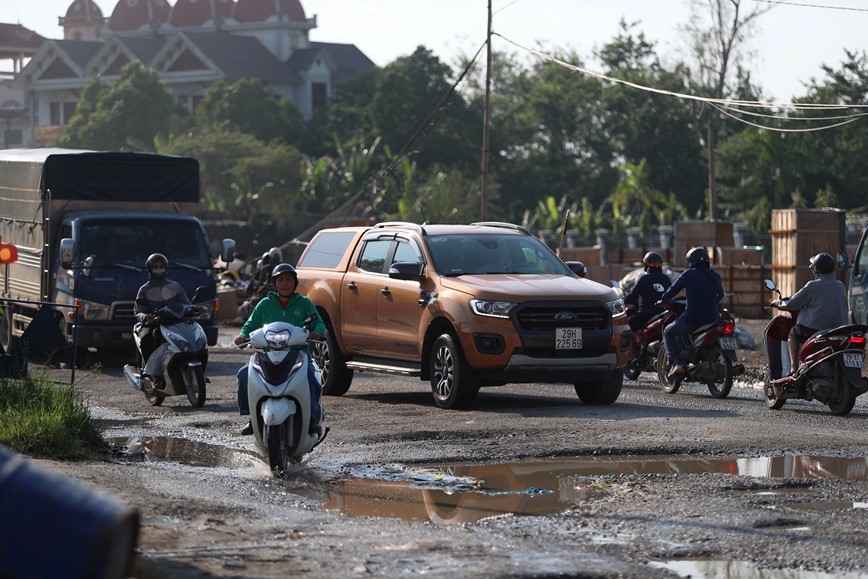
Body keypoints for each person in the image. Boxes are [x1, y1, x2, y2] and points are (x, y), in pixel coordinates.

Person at [234, 263, 326, 436]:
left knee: (312, 378)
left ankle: (313, 419)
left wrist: (317, 332)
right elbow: (249, 325)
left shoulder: (304, 303)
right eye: (281, 280)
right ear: (274, 283)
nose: (285, 283)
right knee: (244, 374)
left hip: (297, 353)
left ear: (295, 282)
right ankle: (252, 418)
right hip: (267, 354)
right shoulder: (264, 304)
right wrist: (242, 336)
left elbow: (318, 322)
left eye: (289, 279)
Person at [771, 252, 848, 374]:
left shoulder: (813, 286)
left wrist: (777, 303)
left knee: (792, 333)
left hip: (814, 330)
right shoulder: (840, 285)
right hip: (838, 330)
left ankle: (793, 368)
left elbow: (792, 304)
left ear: (816, 270)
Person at [658, 247, 725, 380]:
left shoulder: (689, 273)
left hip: (692, 318)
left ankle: (676, 364)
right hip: (712, 319)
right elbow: (721, 295)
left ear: (691, 261)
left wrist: (663, 300)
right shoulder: (715, 275)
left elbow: (673, 289)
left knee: (668, 331)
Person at [133, 253, 191, 378]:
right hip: (154, 325)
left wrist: (196, 309)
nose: (159, 269)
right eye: (155, 266)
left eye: (161, 266)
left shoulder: (175, 287)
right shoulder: (144, 289)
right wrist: (145, 317)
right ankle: (151, 373)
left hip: (175, 323)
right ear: (149, 269)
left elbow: (187, 304)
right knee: (146, 339)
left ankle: (196, 370)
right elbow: (138, 310)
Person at [624, 251, 672, 331]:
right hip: (663, 313)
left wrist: (624, 301)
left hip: (646, 314)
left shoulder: (644, 279)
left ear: (646, 264)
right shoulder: (666, 279)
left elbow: (633, 296)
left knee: (626, 327)